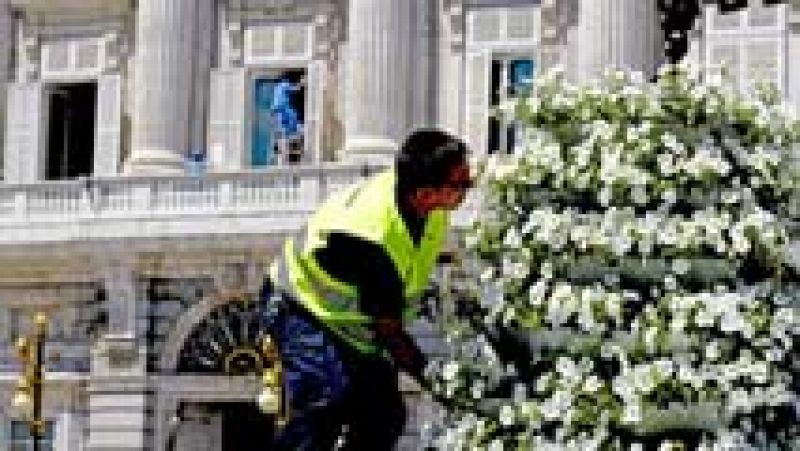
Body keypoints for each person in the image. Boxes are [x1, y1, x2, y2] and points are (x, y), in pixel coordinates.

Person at [261, 129, 472, 450]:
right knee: (325, 400)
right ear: (426, 193)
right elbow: (390, 333)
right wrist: (434, 380)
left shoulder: (426, 205)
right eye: (461, 185)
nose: (468, 190)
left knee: (384, 415)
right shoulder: (370, 239)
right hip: (300, 307)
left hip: (348, 326)